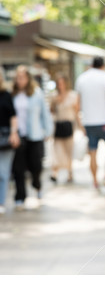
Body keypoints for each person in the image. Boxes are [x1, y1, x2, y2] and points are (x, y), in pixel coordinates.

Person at [12, 65, 53, 210]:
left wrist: (48, 131)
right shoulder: (13, 94)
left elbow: (45, 113)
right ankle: (20, 197)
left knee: (36, 165)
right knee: (18, 168)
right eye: (17, 78)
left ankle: (37, 186)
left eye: (22, 78)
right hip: (18, 136)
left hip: (35, 135)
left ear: (28, 79)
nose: (19, 81)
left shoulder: (36, 93)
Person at [75, 56, 105, 190]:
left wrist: (80, 123)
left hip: (89, 122)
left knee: (92, 152)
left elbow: (77, 104)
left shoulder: (81, 78)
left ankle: (95, 181)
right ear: (103, 65)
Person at [50, 73, 82, 184]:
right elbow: (51, 111)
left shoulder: (73, 96)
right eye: (58, 83)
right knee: (57, 150)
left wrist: (81, 128)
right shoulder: (54, 96)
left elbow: (76, 113)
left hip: (69, 126)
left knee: (69, 150)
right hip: (58, 125)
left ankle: (70, 172)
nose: (60, 85)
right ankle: (55, 172)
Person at [0, 67, 20, 214]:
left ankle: (1, 202)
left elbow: (13, 116)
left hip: (5, 136)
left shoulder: (6, 95)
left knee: (3, 172)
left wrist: (14, 133)